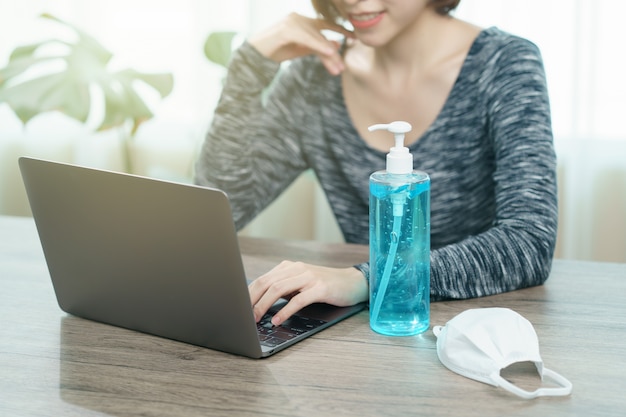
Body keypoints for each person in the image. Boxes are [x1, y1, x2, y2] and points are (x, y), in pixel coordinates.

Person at [194, 0, 558, 327]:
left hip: (477, 329)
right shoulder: (315, 76)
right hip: (363, 328)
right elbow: (223, 206)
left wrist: (364, 278)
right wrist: (248, 67)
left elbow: (529, 242)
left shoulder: (504, 63)